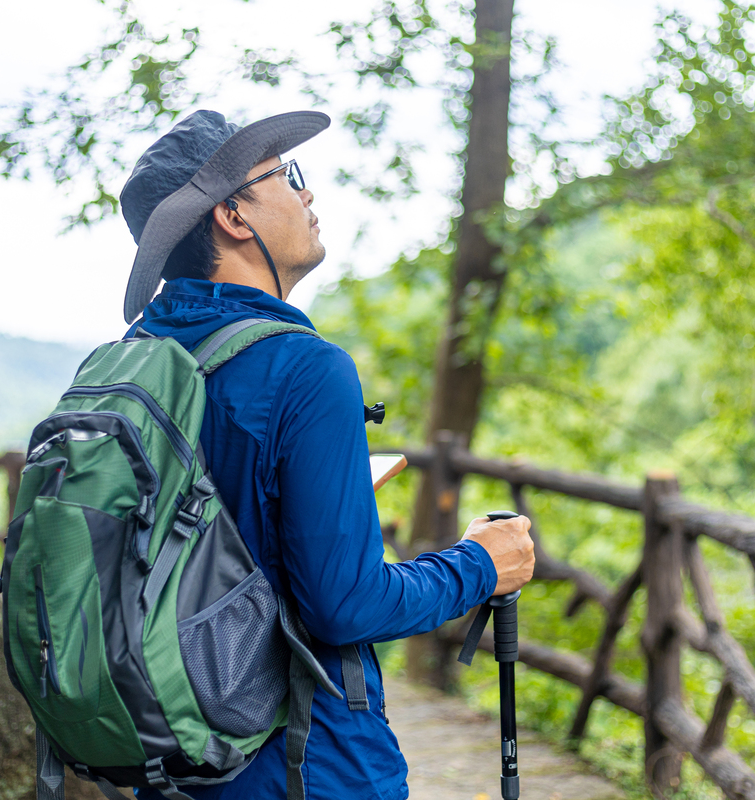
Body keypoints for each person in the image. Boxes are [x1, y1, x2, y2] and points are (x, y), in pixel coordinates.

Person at [119, 109, 536, 800]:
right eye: (285, 178)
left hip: (170, 766)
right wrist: (480, 564)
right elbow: (344, 606)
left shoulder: (133, 363)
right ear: (231, 215)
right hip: (305, 765)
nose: (306, 195)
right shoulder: (304, 368)